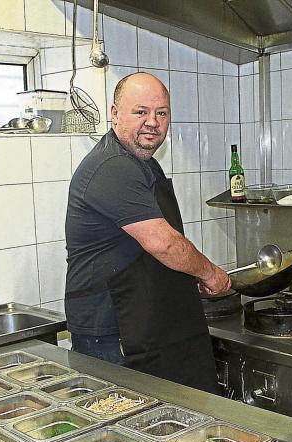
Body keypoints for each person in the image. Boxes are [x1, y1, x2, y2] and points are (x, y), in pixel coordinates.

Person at [64, 72, 231, 394]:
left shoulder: (143, 162)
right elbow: (164, 244)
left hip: (143, 322)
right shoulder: (112, 166)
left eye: (161, 113)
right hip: (113, 332)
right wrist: (210, 274)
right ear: (115, 114)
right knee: (122, 420)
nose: (153, 122)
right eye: (141, 112)